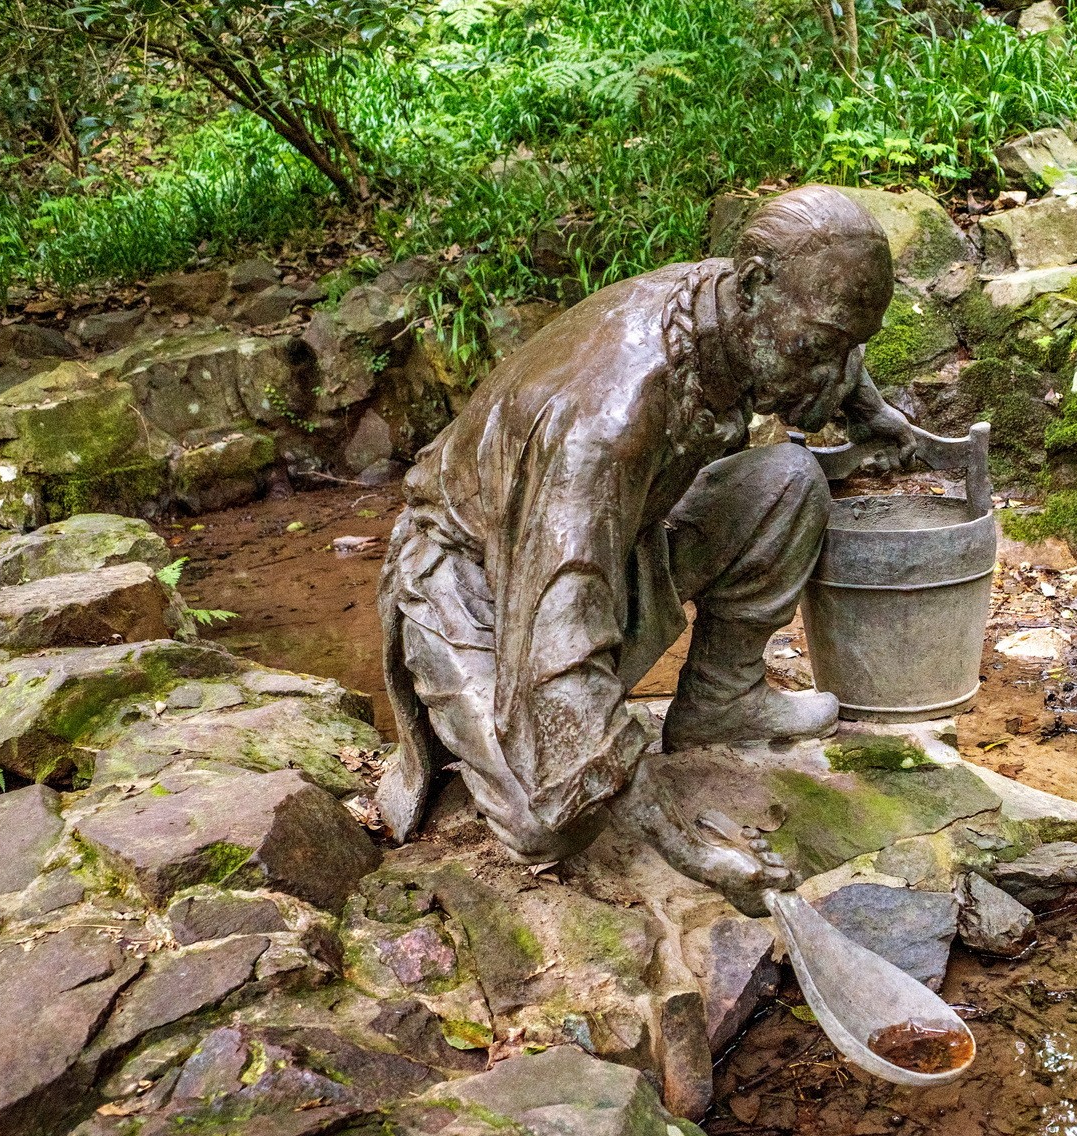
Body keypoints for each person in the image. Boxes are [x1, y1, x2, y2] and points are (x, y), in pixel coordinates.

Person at [374, 185, 917, 915]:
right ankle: (471, 714)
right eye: (823, 349)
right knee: (549, 819)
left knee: (788, 480)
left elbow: (825, 335)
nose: (832, 368)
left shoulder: (733, 301)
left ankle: (723, 702)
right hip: (473, 585)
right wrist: (680, 842)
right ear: (755, 285)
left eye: (847, 348)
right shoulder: (607, 422)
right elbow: (556, 644)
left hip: (619, 537)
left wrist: (868, 409)